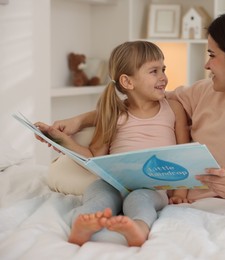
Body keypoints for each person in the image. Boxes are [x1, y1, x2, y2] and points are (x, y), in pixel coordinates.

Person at [46, 7, 225, 214]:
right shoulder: (205, 92)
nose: (206, 65)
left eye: (212, 54)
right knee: (73, 175)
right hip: (146, 181)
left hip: (170, 198)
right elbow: (139, 102)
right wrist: (78, 121)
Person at [35, 41, 191, 247]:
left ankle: (139, 228)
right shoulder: (113, 114)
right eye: (154, 71)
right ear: (127, 82)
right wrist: (64, 142)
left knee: (140, 199)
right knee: (98, 195)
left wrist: (180, 193)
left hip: (152, 185)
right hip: (113, 182)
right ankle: (80, 226)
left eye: (163, 69)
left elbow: (184, 153)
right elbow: (94, 158)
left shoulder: (173, 109)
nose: (163, 76)